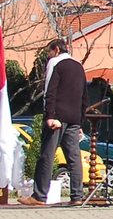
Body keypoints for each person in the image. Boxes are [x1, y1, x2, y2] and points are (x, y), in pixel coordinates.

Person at [24, 39, 87, 206]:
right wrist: (80, 119)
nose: (48, 56)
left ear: (56, 49)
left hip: (57, 116)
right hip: (74, 117)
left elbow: (50, 90)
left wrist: (49, 115)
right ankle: (77, 196)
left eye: (48, 52)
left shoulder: (55, 63)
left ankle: (39, 196)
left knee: (47, 155)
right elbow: (84, 95)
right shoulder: (79, 66)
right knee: (74, 157)